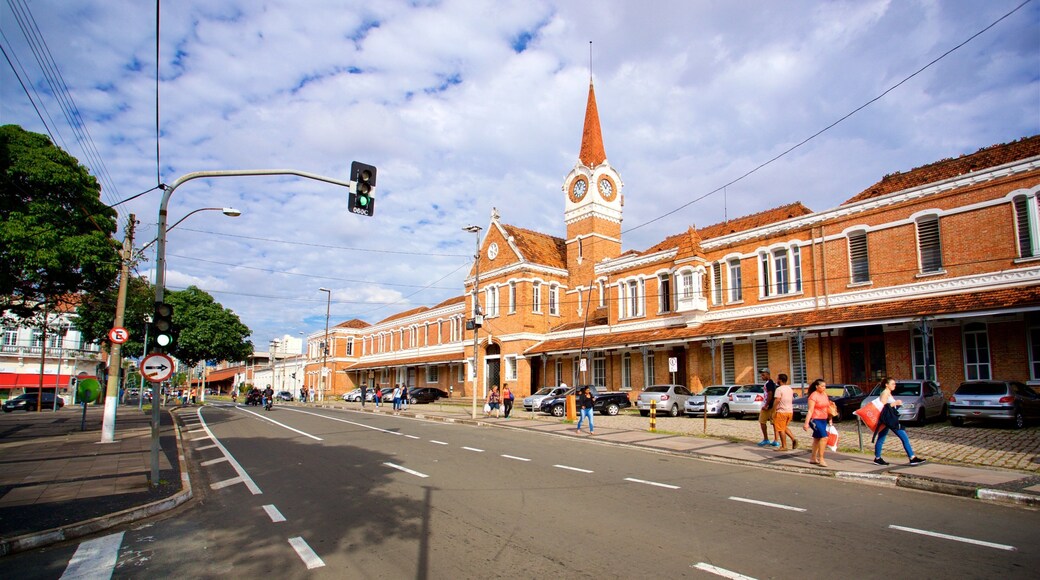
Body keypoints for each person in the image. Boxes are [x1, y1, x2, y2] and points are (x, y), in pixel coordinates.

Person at [873, 377, 927, 466]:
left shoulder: (888, 393)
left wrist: (897, 405)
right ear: (887, 385)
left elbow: (889, 407)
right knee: (904, 437)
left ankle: (877, 458)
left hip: (888, 419)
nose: (895, 385)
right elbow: (882, 407)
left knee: (881, 438)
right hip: (889, 420)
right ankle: (912, 458)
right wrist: (895, 403)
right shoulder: (885, 393)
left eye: (895, 384)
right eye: (892, 384)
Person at [802, 378, 832, 466]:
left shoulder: (824, 395)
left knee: (817, 438)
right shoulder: (813, 396)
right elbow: (810, 410)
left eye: (825, 386)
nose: (824, 388)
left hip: (823, 419)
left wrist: (830, 418)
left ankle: (813, 458)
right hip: (815, 419)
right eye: (822, 386)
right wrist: (806, 423)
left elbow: (827, 407)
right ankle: (821, 458)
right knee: (824, 437)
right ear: (817, 386)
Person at [772, 373, 798, 451]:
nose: (776, 380)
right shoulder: (790, 389)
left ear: (780, 380)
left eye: (777, 379)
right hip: (789, 411)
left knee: (780, 429)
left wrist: (774, 409)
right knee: (783, 427)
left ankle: (784, 446)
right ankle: (793, 439)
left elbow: (777, 399)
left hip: (781, 411)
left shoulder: (779, 389)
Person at [757, 369, 779, 447]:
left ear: (768, 374)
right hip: (772, 406)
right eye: (761, 375)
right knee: (774, 423)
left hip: (768, 406)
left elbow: (770, 394)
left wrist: (766, 405)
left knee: (762, 421)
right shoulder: (772, 383)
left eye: (763, 375)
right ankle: (776, 440)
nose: (762, 376)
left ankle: (766, 439)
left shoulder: (769, 383)